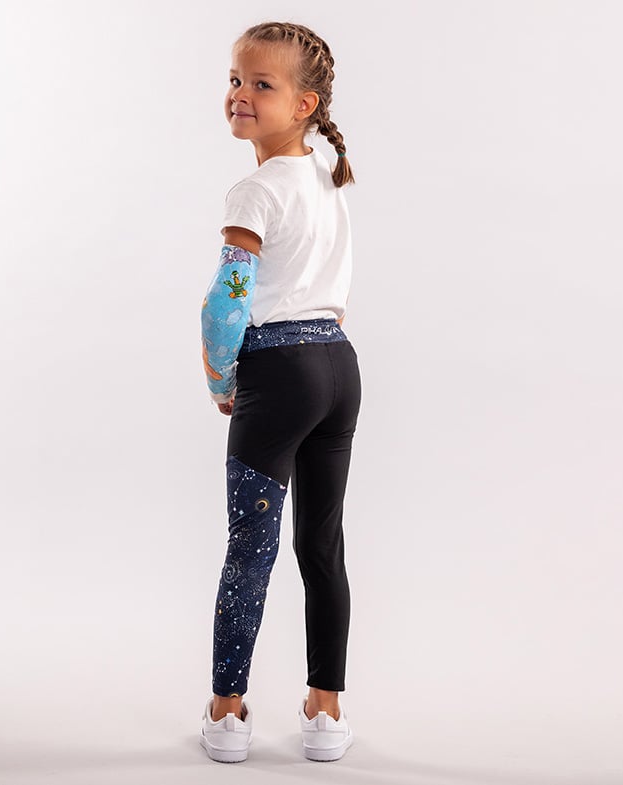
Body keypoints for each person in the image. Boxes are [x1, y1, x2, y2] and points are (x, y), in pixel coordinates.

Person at [198, 21, 361, 764]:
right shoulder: (326, 175)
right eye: (235, 79)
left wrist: (221, 378)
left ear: (304, 104)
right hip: (339, 368)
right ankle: (325, 711)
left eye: (261, 84)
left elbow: (225, 305)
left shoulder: (256, 189)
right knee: (321, 546)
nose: (240, 93)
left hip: (279, 373)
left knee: (250, 551)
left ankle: (228, 713)